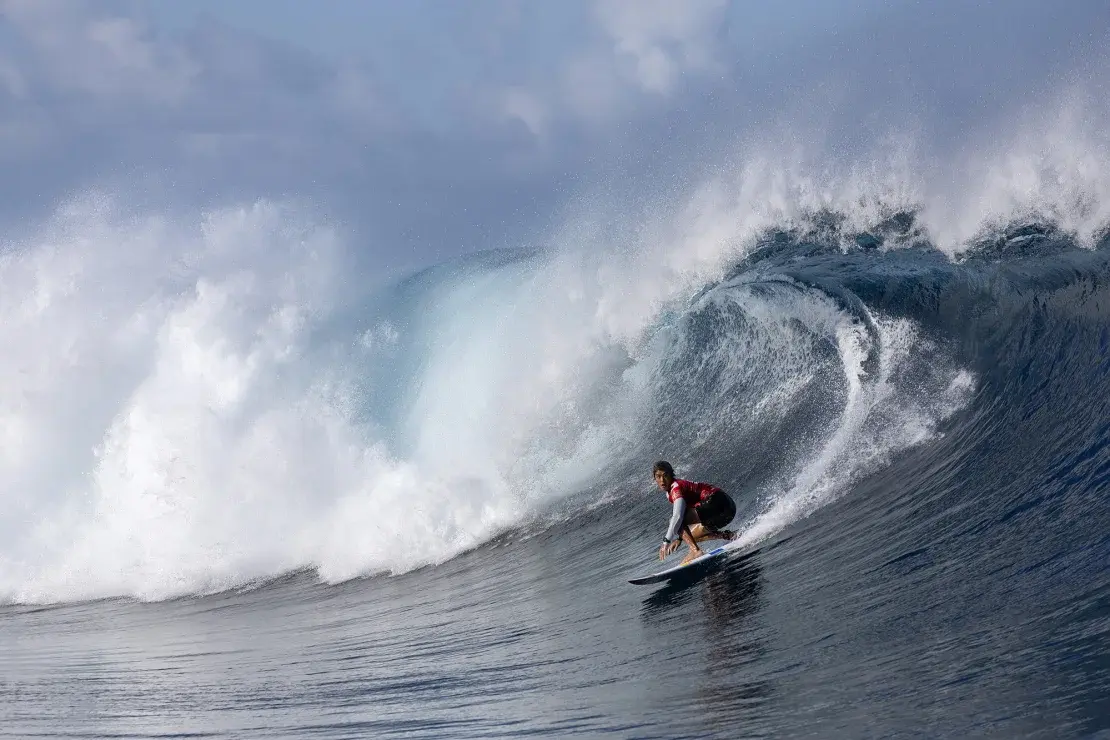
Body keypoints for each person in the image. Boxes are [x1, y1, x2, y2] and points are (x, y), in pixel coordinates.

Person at [654, 460, 737, 565]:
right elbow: (683, 518)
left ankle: (695, 551)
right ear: (655, 478)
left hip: (717, 502)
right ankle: (729, 535)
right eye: (658, 476)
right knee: (692, 537)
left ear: (671, 475)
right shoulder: (671, 490)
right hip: (728, 509)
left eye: (665, 475)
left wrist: (666, 541)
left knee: (674, 521)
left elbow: (678, 517)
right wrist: (680, 539)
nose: (662, 480)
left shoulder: (676, 488)